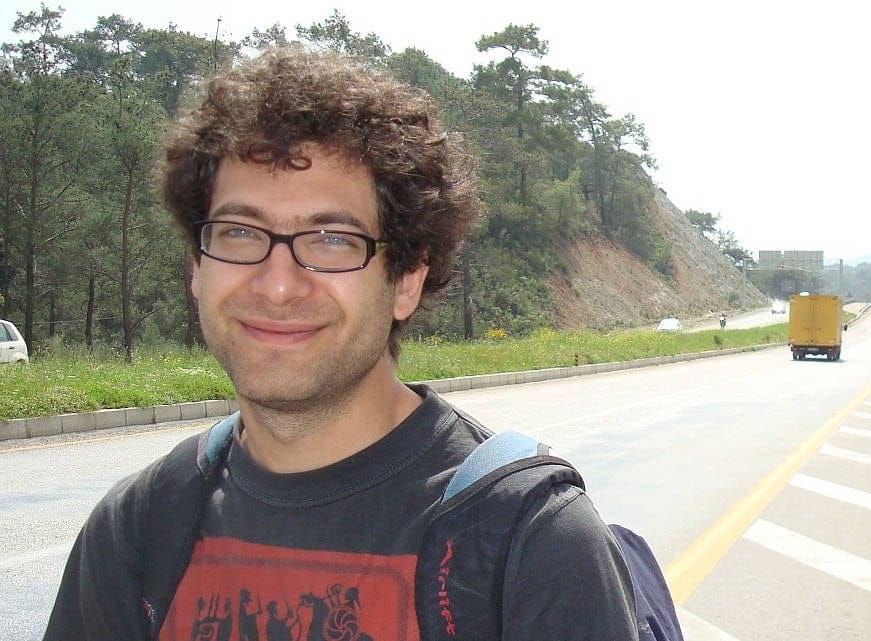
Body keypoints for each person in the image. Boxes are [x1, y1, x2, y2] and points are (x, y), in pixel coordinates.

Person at [43, 48, 636, 641]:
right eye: (240, 232)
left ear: (407, 280)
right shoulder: (137, 529)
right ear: (197, 267)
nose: (277, 285)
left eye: (332, 239)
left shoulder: (529, 543)